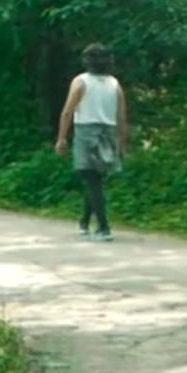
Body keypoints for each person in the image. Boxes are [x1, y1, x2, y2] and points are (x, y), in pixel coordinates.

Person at [54, 44, 128, 240]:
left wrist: (62, 138)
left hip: (86, 131)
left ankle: (104, 227)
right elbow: (121, 116)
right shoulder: (114, 84)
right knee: (96, 179)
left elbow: (68, 111)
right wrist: (122, 142)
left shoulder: (81, 82)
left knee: (91, 178)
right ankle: (85, 222)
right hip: (108, 132)